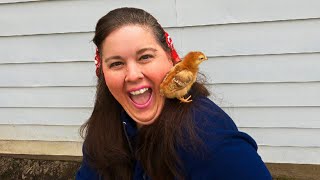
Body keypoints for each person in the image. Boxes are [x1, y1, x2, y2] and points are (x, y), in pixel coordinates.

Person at [76, 7, 272, 180]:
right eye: (116, 63)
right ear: (103, 73)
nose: (133, 75)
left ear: (171, 59)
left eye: (145, 57)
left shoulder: (206, 136)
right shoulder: (107, 126)